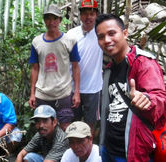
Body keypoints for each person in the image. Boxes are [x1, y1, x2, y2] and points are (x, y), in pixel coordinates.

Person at [95, 14, 166, 161]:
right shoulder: (109, 69)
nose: (106, 40)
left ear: (125, 33)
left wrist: (147, 99)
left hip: (133, 151)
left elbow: (161, 98)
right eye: (101, 37)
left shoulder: (143, 63)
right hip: (108, 148)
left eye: (111, 33)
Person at [28, 4, 81, 131]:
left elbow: (75, 67)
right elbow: (35, 68)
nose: (51, 22)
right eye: (48, 18)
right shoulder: (37, 42)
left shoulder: (70, 41)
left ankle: (65, 151)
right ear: (44, 20)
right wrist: (32, 93)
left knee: (65, 127)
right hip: (43, 94)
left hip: (64, 93)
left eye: (55, 18)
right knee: (44, 128)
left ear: (60, 20)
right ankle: (48, 151)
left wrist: (77, 92)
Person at [66, 0, 103, 136]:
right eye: (85, 14)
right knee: (72, 123)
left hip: (93, 88)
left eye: (92, 14)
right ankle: (73, 152)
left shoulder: (101, 34)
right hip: (72, 88)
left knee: (90, 123)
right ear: (80, 16)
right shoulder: (71, 34)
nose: (88, 17)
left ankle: (88, 152)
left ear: (96, 15)